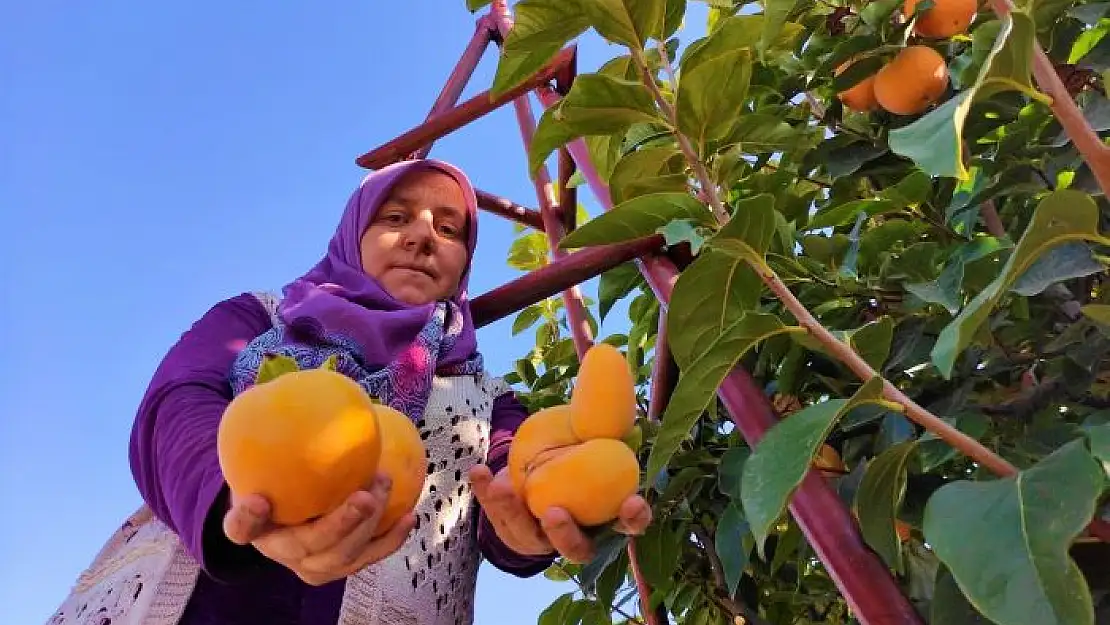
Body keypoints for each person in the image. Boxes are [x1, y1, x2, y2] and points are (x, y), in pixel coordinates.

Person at [46, 158, 651, 625]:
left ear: (465, 262)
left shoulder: (483, 397)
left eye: (450, 228)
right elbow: (176, 403)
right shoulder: (262, 318)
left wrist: (528, 529)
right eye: (395, 218)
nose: (423, 237)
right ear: (351, 234)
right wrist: (234, 500)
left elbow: (509, 481)